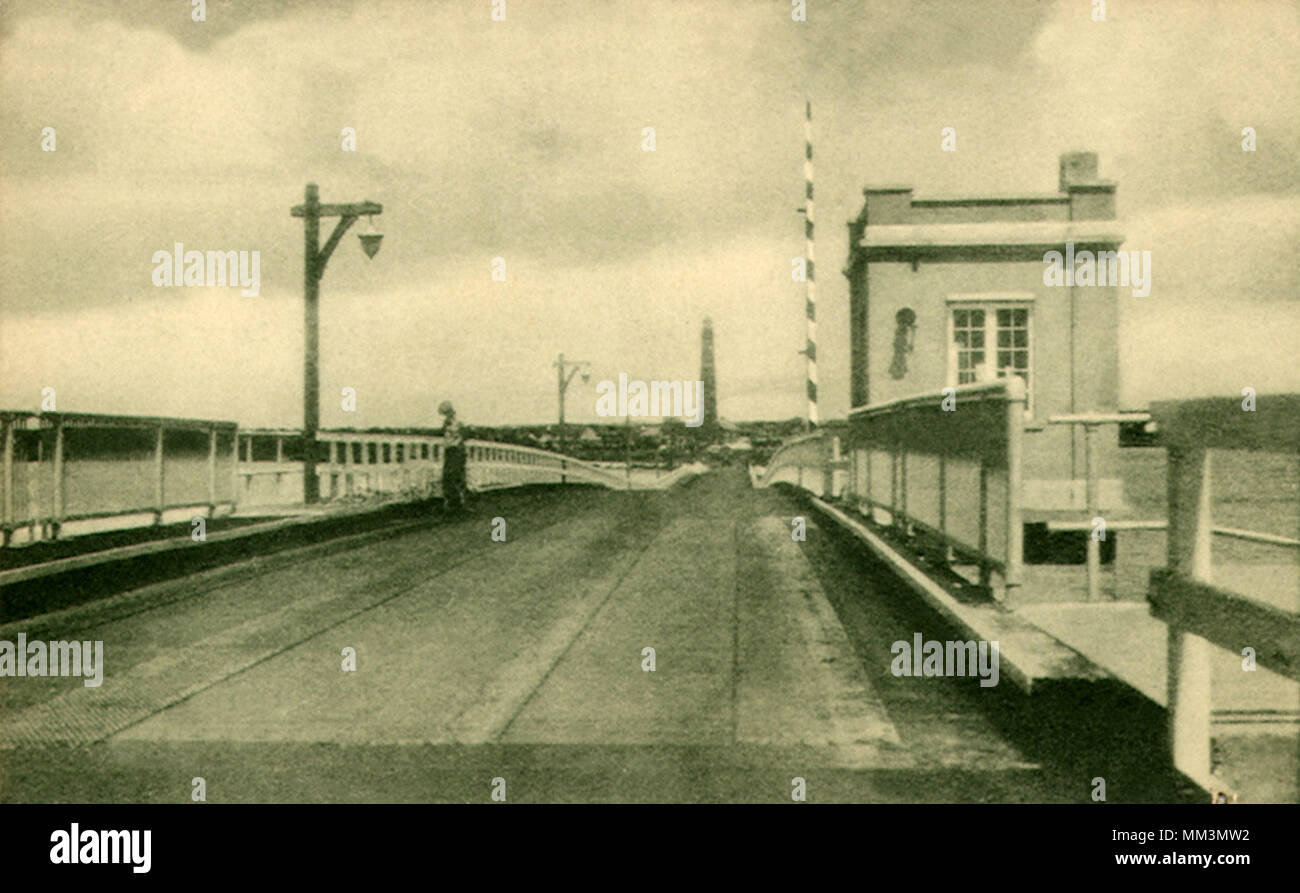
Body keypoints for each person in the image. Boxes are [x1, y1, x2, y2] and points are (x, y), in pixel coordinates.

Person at [438, 400, 468, 512]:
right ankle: (452, 502)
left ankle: (458, 502)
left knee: (456, 475)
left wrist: (456, 442)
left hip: (456, 450)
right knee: (448, 476)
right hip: (450, 450)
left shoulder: (457, 421)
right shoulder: (448, 422)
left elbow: (463, 434)